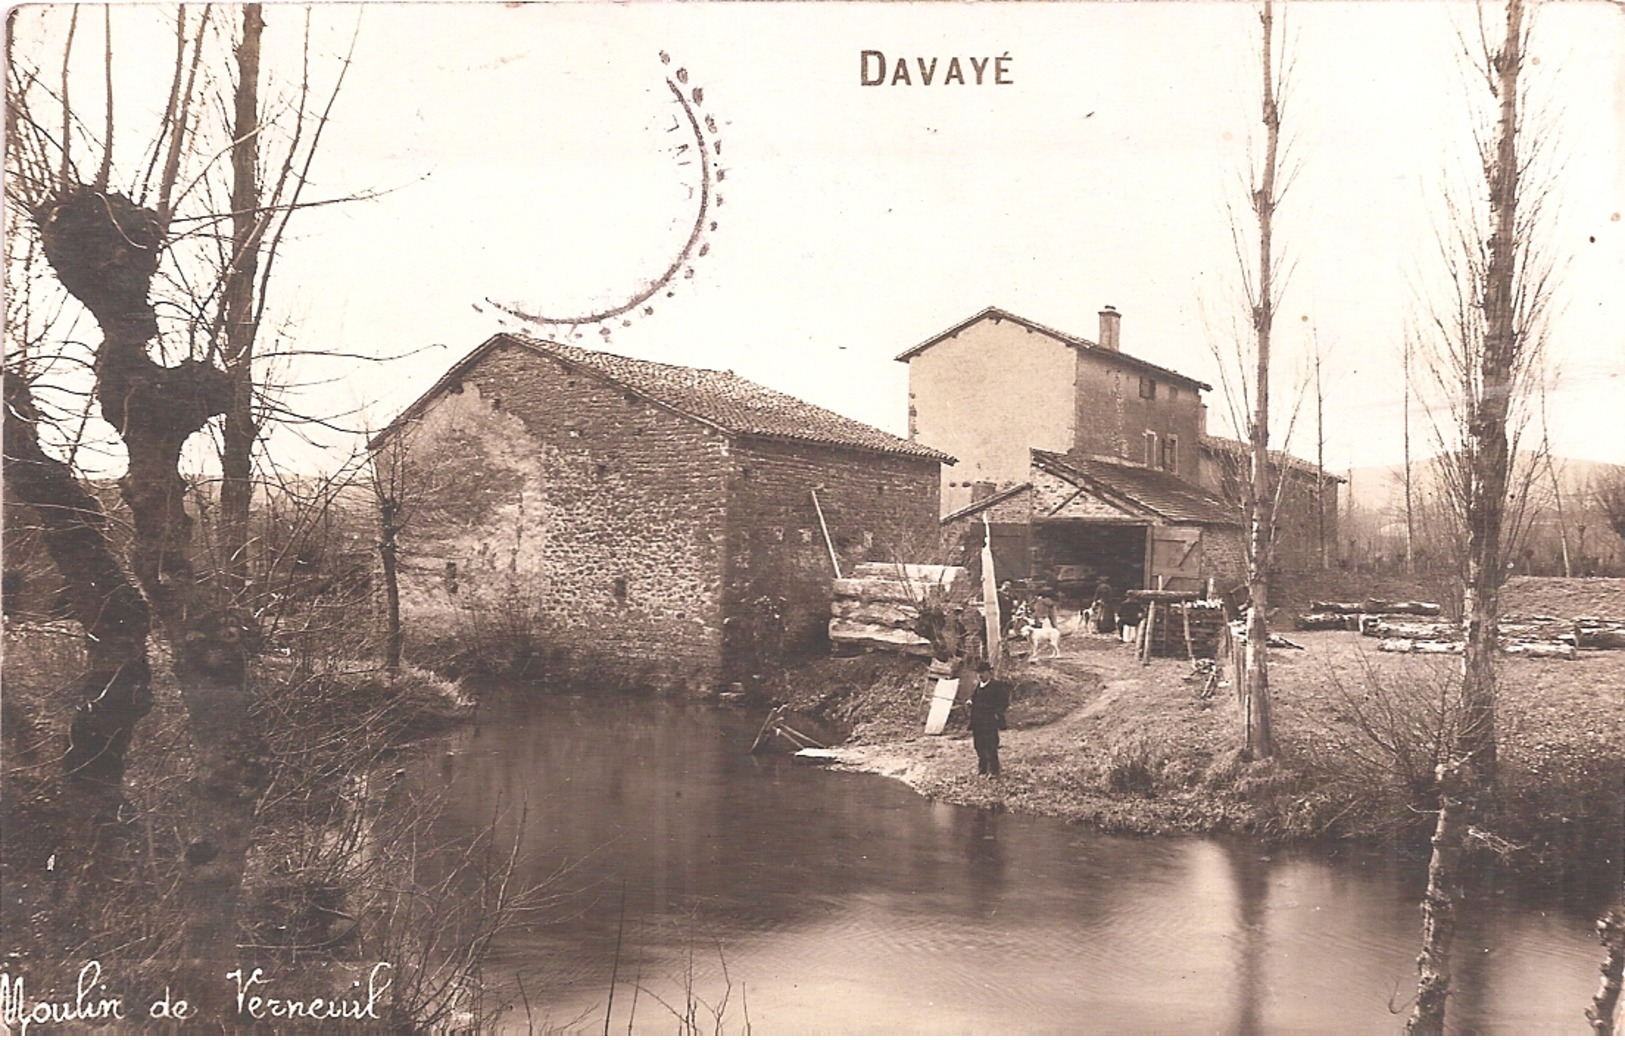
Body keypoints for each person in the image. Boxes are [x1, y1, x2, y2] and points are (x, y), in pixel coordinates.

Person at [968, 661, 1010, 777]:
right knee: (979, 745)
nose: (980, 675)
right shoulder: (978, 686)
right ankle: (982, 769)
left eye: (983, 672)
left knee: (991, 745)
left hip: (990, 720)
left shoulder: (996, 685)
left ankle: (994, 770)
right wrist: (971, 701)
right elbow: (974, 698)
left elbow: (1004, 702)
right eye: (978, 673)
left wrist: (998, 713)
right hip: (977, 721)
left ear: (989, 672)